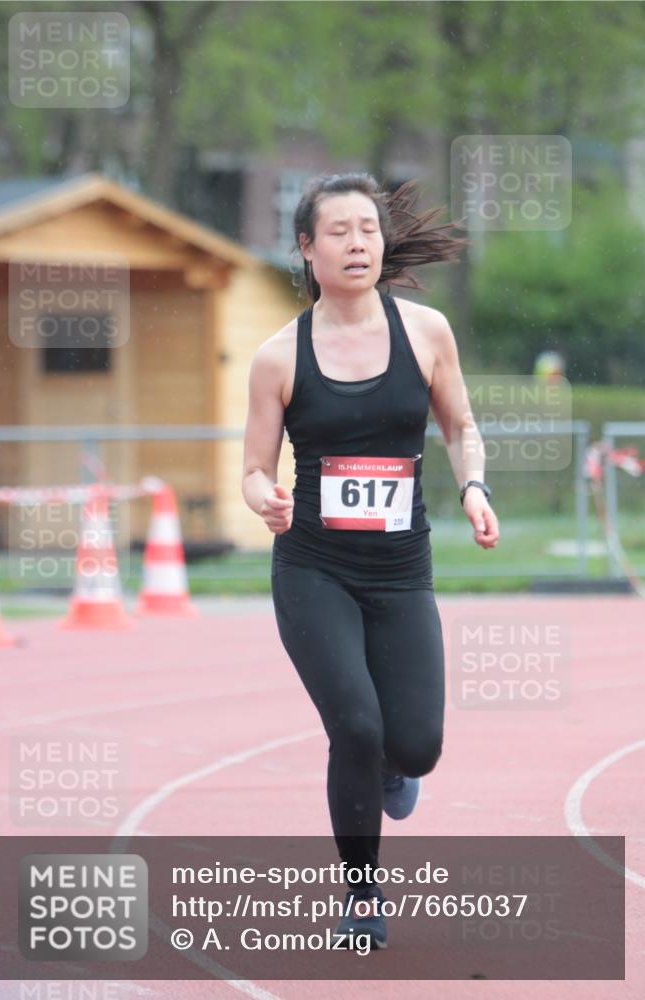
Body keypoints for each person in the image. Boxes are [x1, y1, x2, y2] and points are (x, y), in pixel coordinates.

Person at [241, 172, 499, 950]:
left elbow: (458, 426)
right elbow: (252, 467)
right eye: (339, 231)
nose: (357, 243)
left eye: (368, 229)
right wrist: (264, 498)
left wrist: (473, 487)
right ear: (306, 249)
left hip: (398, 569)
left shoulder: (425, 331)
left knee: (413, 742)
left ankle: (395, 766)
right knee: (353, 724)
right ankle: (360, 895)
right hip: (313, 568)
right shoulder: (277, 355)